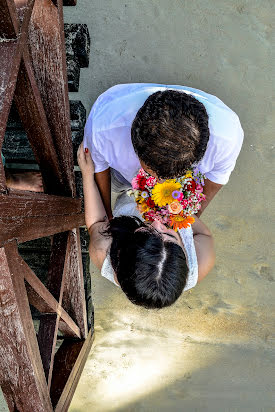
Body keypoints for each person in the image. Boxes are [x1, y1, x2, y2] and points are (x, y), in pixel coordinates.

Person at [77, 143, 215, 309]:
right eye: (169, 235)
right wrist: (177, 210)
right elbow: (204, 235)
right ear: (185, 254)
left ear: (124, 249)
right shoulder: (201, 262)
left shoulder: (103, 252)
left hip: (128, 191)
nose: (158, 221)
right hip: (171, 193)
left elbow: (96, 223)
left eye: (147, 230)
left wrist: (87, 175)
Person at [83, 83, 244, 219]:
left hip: (178, 189)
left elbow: (215, 179)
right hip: (121, 172)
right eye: (152, 173)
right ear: (134, 142)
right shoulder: (102, 128)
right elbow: (99, 169)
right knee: (118, 184)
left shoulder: (227, 138)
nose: (158, 183)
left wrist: (185, 219)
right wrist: (108, 219)